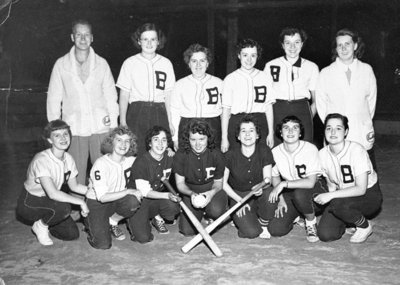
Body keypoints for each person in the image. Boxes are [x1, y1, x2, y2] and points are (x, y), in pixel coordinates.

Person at [47, 19, 119, 186]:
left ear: (92, 38)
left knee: (105, 171)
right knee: (75, 174)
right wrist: (55, 130)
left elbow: (110, 96)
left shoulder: (102, 64)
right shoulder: (61, 64)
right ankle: (76, 210)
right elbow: (53, 98)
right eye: (79, 35)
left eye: (86, 35)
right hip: (74, 128)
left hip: (100, 127)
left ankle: (103, 209)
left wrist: (113, 125)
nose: (83, 39)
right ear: (72, 37)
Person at [16, 120, 90, 246]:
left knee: (71, 234)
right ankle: (40, 225)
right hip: (30, 203)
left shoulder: (68, 158)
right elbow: (53, 193)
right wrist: (81, 202)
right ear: (50, 140)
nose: (63, 138)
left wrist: (97, 192)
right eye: (57, 135)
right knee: (64, 207)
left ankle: (47, 220)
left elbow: (75, 186)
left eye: (65, 134)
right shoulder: (42, 160)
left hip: (49, 202)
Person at [314, 113, 382, 243]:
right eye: (328, 128)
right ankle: (350, 220)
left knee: (338, 203)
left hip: (368, 195)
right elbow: (331, 184)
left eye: (338, 128)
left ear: (346, 132)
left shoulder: (357, 150)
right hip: (344, 197)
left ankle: (364, 226)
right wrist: (330, 197)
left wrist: (331, 197)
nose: (333, 132)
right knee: (326, 234)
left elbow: (360, 189)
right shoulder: (322, 154)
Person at [316, 28, 377, 169]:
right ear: (336, 49)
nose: (344, 48)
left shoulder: (367, 70)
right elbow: (321, 104)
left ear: (355, 46)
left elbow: (371, 102)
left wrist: (363, 121)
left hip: (360, 131)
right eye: (339, 45)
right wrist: (334, 127)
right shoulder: (326, 73)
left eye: (347, 44)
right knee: (338, 173)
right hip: (337, 132)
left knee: (365, 173)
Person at [117, 23, 176, 155]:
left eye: (153, 39)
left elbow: (169, 95)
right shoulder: (130, 63)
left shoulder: (166, 63)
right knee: (137, 152)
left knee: (160, 152)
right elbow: (124, 94)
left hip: (160, 111)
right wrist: (122, 121)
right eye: (145, 39)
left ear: (158, 41)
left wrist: (171, 121)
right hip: (137, 111)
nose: (149, 43)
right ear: (139, 41)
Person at [267, 116, 324, 242]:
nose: (291, 131)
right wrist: (280, 199)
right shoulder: (275, 152)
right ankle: (297, 214)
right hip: (291, 191)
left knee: (300, 194)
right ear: (281, 133)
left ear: (300, 132)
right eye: (286, 128)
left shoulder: (310, 149)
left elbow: (310, 182)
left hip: (315, 190)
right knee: (276, 229)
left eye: (295, 128)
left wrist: (284, 184)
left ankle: (310, 222)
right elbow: (274, 175)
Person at [84, 126, 142, 249]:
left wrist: (168, 151)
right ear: (111, 142)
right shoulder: (101, 164)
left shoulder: (130, 160)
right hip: (97, 203)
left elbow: (149, 160)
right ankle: (91, 224)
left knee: (133, 201)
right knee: (103, 245)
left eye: (127, 141)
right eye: (119, 140)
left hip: (116, 200)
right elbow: (102, 197)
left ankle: (112, 221)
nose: (123, 144)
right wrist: (128, 191)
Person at [223, 115, 275, 239]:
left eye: (251, 130)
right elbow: (223, 184)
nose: (247, 134)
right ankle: (242, 216)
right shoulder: (229, 155)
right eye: (243, 131)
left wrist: (262, 186)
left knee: (269, 194)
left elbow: (268, 179)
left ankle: (263, 222)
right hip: (239, 195)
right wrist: (239, 201)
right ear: (238, 136)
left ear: (257, 135)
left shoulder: (264, 150)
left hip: (259, 193)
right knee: (251, 233)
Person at [264, 27, 319, 144]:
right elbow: (266, 98)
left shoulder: (311, 67)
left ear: (302, 44)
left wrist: (307, 115)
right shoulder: (271, 65)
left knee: (305, 148)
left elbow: (316, 100)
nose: (292, 47)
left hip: (302, 109)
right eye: (288, 43)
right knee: (277, 148)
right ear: (282, 45)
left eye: (297, 42)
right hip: (278, 109)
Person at [173, 119, 227, 236]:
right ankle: (198, 213)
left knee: (216, 210)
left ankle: (209, 213)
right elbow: (180, 184)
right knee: (187, 231)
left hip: (211, 188)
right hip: (190, 190)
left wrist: (211, 193)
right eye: (193, 139)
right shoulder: (180, 155)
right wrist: (192, 194)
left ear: (208, 138)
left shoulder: (217, 154)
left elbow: (218, 183)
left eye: (202, 139)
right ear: (188, 139)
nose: (198, 144)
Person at [127, 126, 181, 243]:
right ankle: (134, 218)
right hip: (138, 201)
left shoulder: (170, 157)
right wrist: (167, 195)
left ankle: (156, 216)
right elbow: (145, 192)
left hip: (156, 197)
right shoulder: (141, 162)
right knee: (143, 238)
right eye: (156, 139)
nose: (160, 143)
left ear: (168, 144)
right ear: (150, 143)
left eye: (164, 140)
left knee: (173, 208)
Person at [221, 38, 275, 153]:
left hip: (260, 121)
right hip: (237, 121)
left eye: (253, 55)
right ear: (239, 56)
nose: (249, 60)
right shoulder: (230, 79)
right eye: (245, 55)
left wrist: (271, 132)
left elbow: (268, 107)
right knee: (236, 160)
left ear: (257, 56)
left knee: (260, 158)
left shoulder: (265, 77)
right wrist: (224, 137)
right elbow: (226, 110)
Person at [170, 43, 223, 150]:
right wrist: (175, 138)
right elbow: (174, 112)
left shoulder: (219, 83)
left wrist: (224, 137)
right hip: (187, 125)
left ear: (207, 63)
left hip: (212, 126)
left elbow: (225, 112)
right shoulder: (180, 84)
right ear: (189, 63)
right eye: (194, 61)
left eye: (202, 61)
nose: (198, 65)